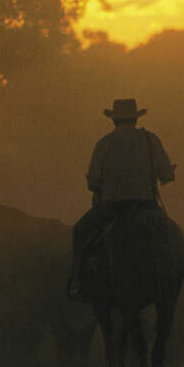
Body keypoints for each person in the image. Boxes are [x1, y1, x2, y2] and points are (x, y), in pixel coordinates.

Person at [67, 98, 176, 301]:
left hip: (111, 209)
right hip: (146, 207)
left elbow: (93, 183)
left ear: (114, 121)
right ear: (135, 118)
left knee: (80, 232)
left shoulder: (104, 144)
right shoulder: (151, 140)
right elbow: (167, 177)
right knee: (171, 241)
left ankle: (78, 282)